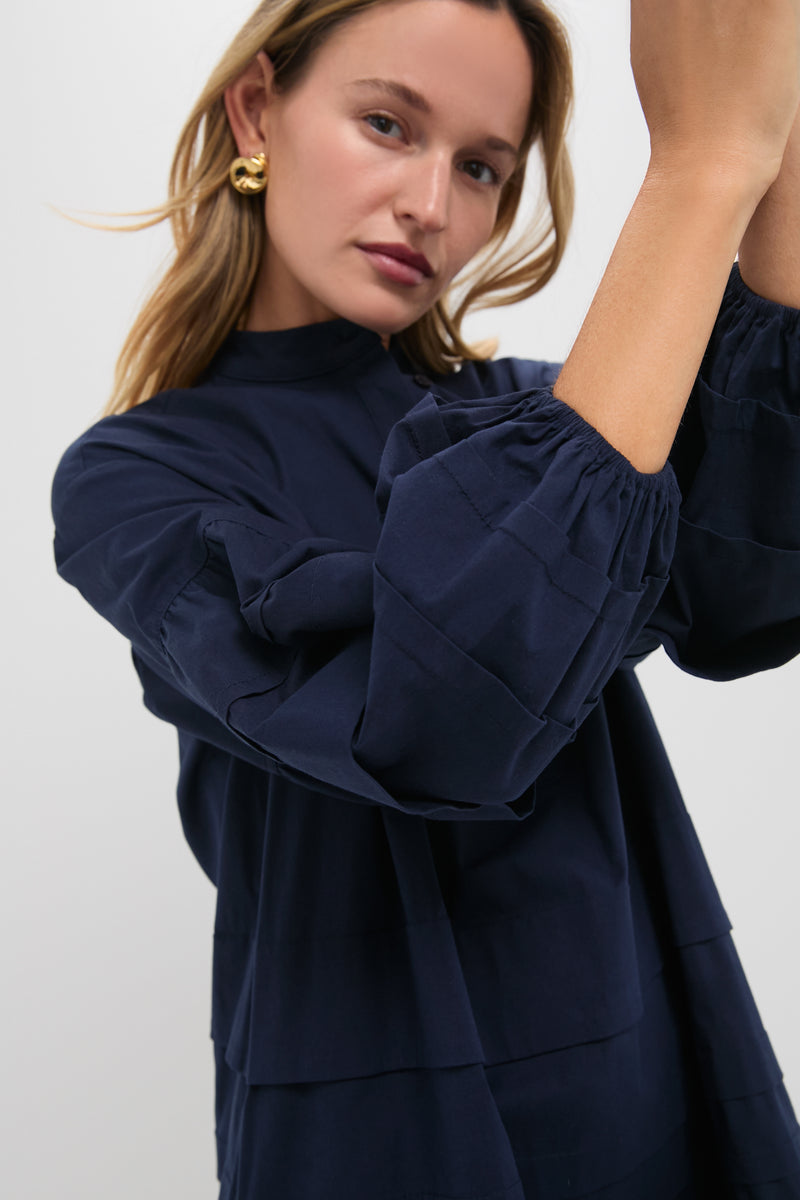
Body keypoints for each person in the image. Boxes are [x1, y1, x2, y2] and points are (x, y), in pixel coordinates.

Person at [51, 0, 800, 1195]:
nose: (431, 205)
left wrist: (769, 138)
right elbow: (439, 721)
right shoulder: (139, 480)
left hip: (642, 1068)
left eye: (482, 168)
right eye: (389, 123)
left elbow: (742, 579)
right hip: (376, 1109)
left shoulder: (519, 418)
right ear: (257, 110)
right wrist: (700, 170)